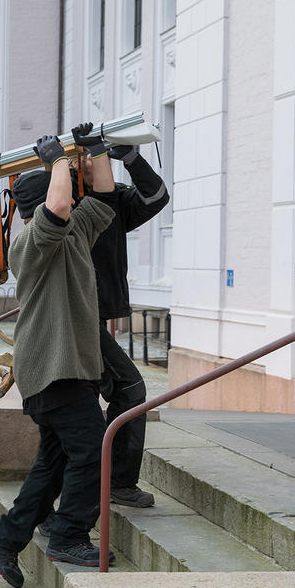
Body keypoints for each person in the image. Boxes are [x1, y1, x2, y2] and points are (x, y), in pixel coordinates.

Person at [0, 129, 118, 583]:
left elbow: (105, 199)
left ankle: (6, 535)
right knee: (93, 450)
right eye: (68, 189)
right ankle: (68, 536)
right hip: (53, 370)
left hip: (69, 368)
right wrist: (56, 160)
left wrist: (98, 150)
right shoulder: (32, 243)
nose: (74, 196)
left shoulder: (75, 230)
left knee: (54, 463)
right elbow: (57, 206)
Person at [71, 124, 169, 508]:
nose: (93, 159)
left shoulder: (114, 199)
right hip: (76, 316)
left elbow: (156, 197)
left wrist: (130, 157)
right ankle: (115, 483)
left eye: (95, 153)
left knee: (94, 400)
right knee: (129, 390)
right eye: (87, 154)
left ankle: (101, 484)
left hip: (91, 315)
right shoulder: (66, 201)